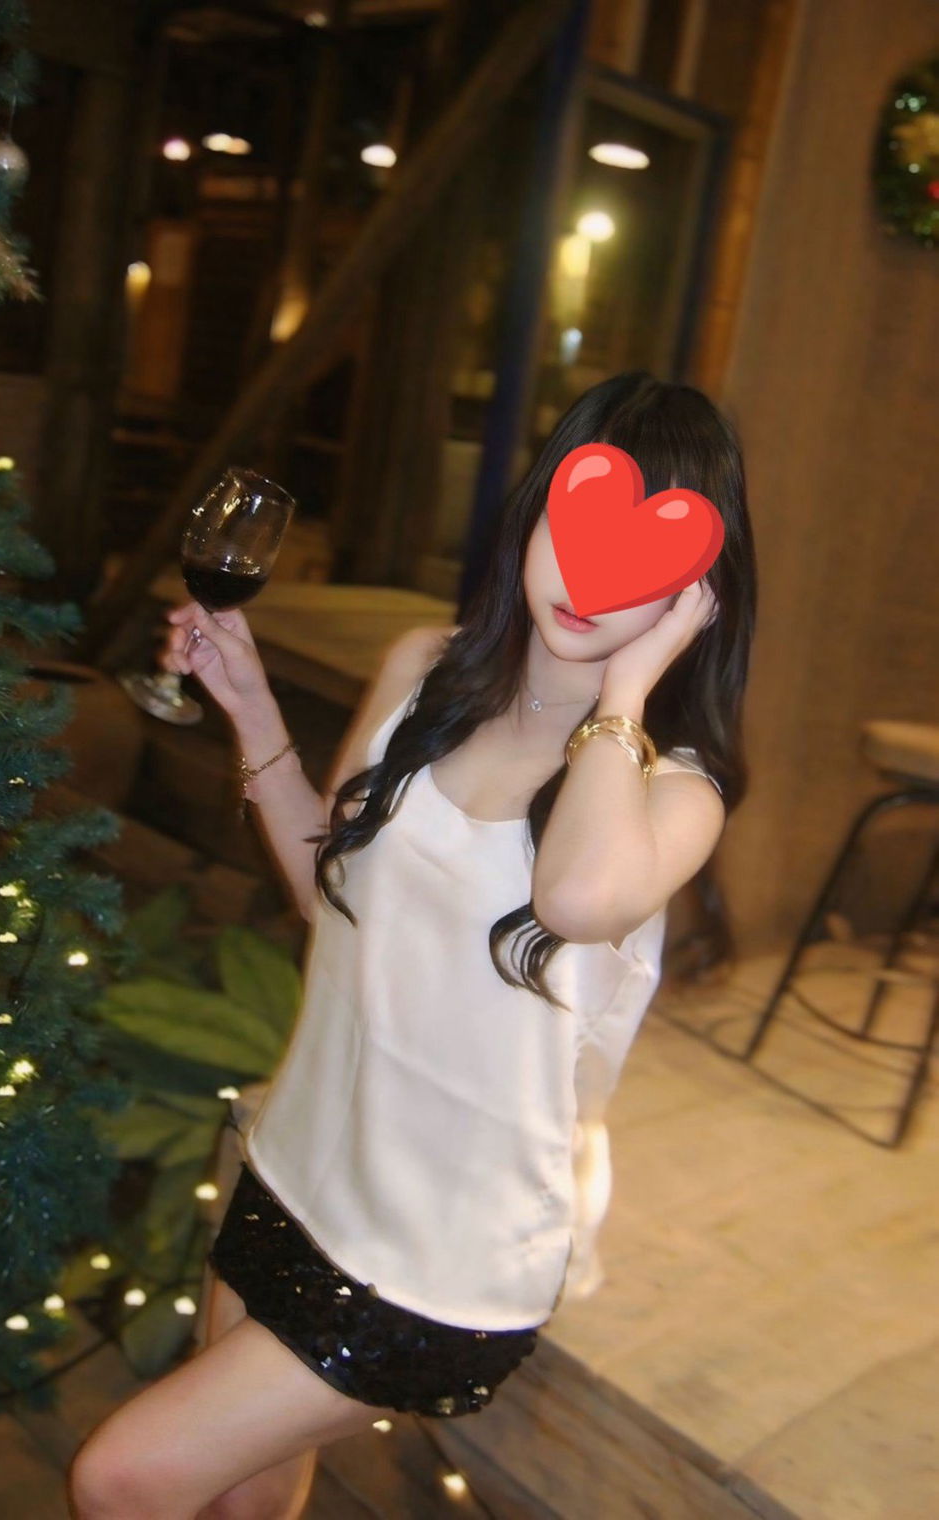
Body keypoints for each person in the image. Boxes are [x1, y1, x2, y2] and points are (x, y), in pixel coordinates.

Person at [68, 370, 756, 1520]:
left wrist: (626, 691)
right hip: (296, 1163)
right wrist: (249, 702)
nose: (592, 577)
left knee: (120, 1475)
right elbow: (328, 896)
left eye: (645, 559)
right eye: (578, 525)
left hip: (435, 1254)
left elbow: (575, 895)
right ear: (533, 514)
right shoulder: (425, 668)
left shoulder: (671, 792)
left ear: (699, 595)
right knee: (244, 1499)